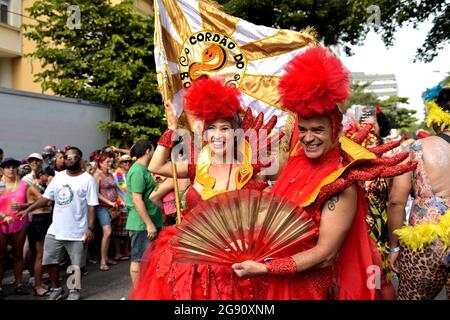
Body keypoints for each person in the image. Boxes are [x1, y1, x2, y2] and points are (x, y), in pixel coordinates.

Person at [231, 47, 415, 299]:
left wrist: (265, 267)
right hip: (275, 281)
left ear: (334, 129)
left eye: (317, 130)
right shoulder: (297, 162)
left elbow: (325, 254)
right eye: (303, 129)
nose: (308, 138)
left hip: (311, 289)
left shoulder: (341, 184)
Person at [129, 77, 280, 299]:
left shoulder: (248, 172)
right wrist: (171, 129)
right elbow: (156, 165)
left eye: (225, 129)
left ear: (236, 132)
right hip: (191, 264)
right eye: (212, 129)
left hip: (232, 269)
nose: (218, 136)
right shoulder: (197, 164)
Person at [387, 84, 450, 300]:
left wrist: (394, 248)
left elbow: (396, 201)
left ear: (437, 114)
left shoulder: (417, 148)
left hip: (426, 241)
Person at [19, 147, 98, 300]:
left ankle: (73, 290)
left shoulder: (87, 179)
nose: (69, 159)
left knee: (75, 265)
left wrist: (90, 228)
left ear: (80, 159)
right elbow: (46, 198)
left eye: (73, 156)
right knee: (49, 261)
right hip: (55, 229)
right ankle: (56, 288)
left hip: (77, 231)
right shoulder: (59, 177)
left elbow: (92, 205)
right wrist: (28, 209)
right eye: (66, 156)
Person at [0, 157, 42, 297]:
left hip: (20, 223)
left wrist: (23, 206)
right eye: (7, 167)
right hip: (2, 224)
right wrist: (4, 216)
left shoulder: (24, 184)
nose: (11, 169)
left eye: (13, 166)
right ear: (2, 169)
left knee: (18, 254)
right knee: (1, 255)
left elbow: (39, 200)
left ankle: (18, 284)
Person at [125, 140, 162, 288]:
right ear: (148, 151)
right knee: (139, 260)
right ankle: (138, 293)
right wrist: (149, 224)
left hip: (149, 222)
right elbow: (136, 199)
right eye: (153, 150)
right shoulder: (138, 170)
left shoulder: (144, 169)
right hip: (141, 224)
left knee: (147, 260)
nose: (154, 153)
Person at [26, 166, 54, 296]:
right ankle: (37, 286)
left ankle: (39, 281)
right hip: (39, 221)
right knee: (40, 255)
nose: (48, 178)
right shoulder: (32, 187)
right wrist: (50, 184)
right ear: (41, 175)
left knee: (44, 255)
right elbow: (47, 202)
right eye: (47, 176)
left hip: (46, 219)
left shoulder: (41, 187)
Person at [93, 152, 121, 271]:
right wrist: (109, 202)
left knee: (110, 233)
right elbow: (96, 193)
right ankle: (102, 261)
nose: (109, 164)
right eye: (107, 162)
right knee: (107, 232)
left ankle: (106, 257)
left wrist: (120, 200)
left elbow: (116, 189)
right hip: (103, 207)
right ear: (100, 163)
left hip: (113, 207)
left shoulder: (110, 174)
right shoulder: (97, 175)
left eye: (110, 161)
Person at [112, 154, 132, 261]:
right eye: (125, 162)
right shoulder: (116, 175)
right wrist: (119, 200)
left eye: (129, 161)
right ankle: (118, 252)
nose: (127, 163)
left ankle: (127, 250)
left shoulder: (132, 174)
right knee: (118, 232)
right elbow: (114, 190)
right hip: (121, 207)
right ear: (120, 163)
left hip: (132, 206)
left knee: (129, 231)